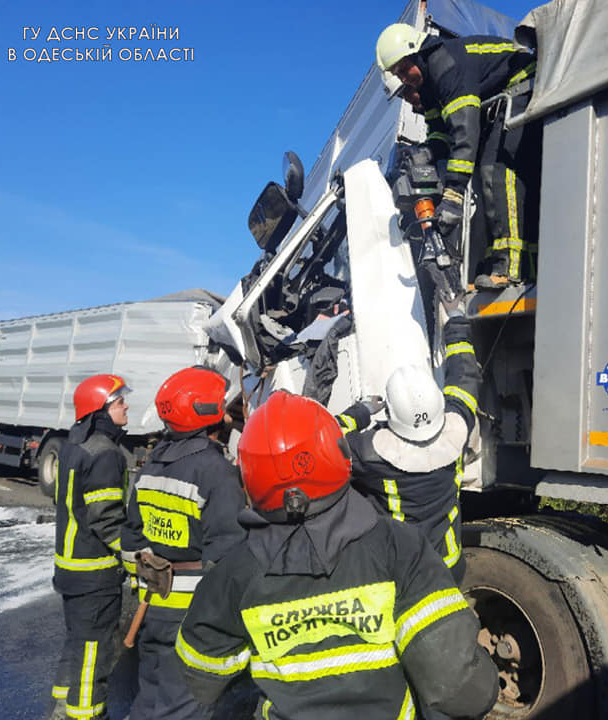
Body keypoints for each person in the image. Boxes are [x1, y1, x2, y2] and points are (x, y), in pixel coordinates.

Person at [175, 391, 498, 720]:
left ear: (249, 474)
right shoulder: (399, 548)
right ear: (337, 455)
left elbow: (202, 676)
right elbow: (457, 687)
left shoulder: (234, 572)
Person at [120, 365, 247, 720]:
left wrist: (145, 577)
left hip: (153, 602)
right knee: (183, 706)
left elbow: (131, 538)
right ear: (206, 412)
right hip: (192, 612)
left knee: (150, 698)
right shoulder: (216, 472)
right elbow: (229, 556)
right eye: (220, 405)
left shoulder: (150, 467)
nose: (225, 411)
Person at [376, 22, 540, 290]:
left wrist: (453, 195)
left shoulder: (445, 67)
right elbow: (442, 135)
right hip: (501, 99)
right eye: (398, 75)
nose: (404, 79)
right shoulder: (430, 90)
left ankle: (510, 269)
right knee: (486, 173)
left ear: (417, 53)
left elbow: (464, 133)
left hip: (523, 85)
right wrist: (425, 152)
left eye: (405, 70)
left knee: (496, 171)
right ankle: (519, 266)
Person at [336, 302, 480, 583]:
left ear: (389, 411)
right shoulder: (458, 427)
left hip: (401, 575)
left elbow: (323, 438)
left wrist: (361, 413)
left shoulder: (368, 452)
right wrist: (456, 319)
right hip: (448, 569)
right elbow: (465, 376)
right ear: (439, 403)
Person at [51, 374, 132, 720]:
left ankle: (60, 707)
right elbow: (107, 518)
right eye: (118, 402)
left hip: (70, 570)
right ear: (100, 411)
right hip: (94, 574)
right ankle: (85, 715)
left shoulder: (73, 447)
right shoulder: (106, 455)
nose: (126, 406)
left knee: (76, 643)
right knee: (93, 653)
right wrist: (133, 556)